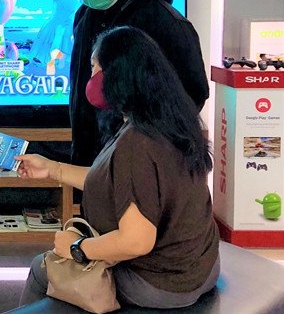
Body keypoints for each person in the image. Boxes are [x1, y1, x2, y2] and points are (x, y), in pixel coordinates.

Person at [16, 26, 219, 310]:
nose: (90, 77)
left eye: (94, 67)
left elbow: (136, 242)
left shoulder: (137, 143)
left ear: (116, 74)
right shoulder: (169, 119)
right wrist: (53, 169)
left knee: (44, 267)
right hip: (201, 267)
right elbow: (113, 181)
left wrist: (77, 248)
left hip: (161, 283)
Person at [68, 0, 209, 167]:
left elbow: (194, 92)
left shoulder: (162, 20)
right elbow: (82, 82)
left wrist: (147, 138)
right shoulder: (84, 16)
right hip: (92, 154)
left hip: (143, 156)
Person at [29, 0, 80, 75]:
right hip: (55, 25)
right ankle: (51, 73)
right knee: (53, 53)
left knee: (64, 53)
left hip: (69, 25)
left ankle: (58, 70)